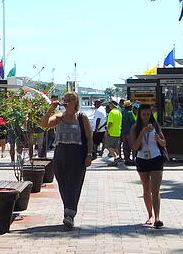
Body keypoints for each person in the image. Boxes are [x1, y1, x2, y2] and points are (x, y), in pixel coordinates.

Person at [41, 91, 94, 229]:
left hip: (76, 154)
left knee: (74, 184)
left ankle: (69, 214)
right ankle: (68, 210)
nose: (67, 102)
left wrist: (89, 154)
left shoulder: (82, 118)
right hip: (61, 153)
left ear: (76, 103)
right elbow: (44, 124)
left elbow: (89, 137)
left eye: (70, 100)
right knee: (63, 183)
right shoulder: (59, 117)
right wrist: (51, 109)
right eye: (65, 99)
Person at [131, 104, 167, 228]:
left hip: (156, 158)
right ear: (139, 115)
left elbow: (164, 143)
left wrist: (158, 139)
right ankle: (150, 215)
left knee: (155, 189)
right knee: (146, 189)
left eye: (148, 114)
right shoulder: (135, 128)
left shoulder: (156, 126)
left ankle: (157, 217)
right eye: (143, 114)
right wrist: (142, 133)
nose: (146, 117)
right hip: (142, 159)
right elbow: (135, 147)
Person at [105, 100, 123, 165]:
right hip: (118, 132)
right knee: (115, 147)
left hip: (111, 133)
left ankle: (116, 157)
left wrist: (107, 130)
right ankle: (116, 160)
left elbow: (110, 123)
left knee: (108, 146)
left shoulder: (112, 112)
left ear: (113, 105)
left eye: (110, 104)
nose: (109, 105)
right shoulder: (119, 112)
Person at [120, 100, 136, 166]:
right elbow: (133, 122)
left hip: (123, 132)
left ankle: (126, 159)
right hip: (130, 132)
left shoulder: (122, 112)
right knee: (132, 146)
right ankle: (133, 159)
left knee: (125, 146)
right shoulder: (130, 113)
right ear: (129, 106)